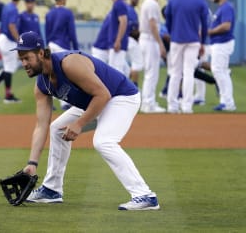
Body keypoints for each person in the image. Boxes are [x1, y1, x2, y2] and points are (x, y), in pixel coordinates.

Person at [15, 31, 160, 211]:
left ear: (41, 53)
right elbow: (41, 125)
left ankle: (144, 195)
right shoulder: (41, 85)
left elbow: (103, 94)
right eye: (20, 59)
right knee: (57, 129)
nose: (24, 64)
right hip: (98, 101)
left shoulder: (69, 63)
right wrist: (32, 164)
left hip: (121, 97)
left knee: (103, 142)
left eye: (27, 57)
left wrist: (80, 123)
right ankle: (51, 190)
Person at [165, 0, 208, 114]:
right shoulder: (200, 1)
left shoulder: (173, 0)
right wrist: (203, 42)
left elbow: (168, 21)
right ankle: (187, 106)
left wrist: (173, 33)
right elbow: (205, 25)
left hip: (177, 39)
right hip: (194, 40)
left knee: (175, 72)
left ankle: (172, 106)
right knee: (189, 72)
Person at [45, 0, 78, 110]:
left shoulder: (49, 13)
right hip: (62, 46)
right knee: (64, 75)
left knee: (52, 74)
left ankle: (51, 101)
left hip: (51, 45)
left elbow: (47, 33)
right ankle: (64, 103)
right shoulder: (68, 12)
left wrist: (47, 46)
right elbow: (72, 33)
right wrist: (76, 49)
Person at [139, 0, 167, 113]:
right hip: (150, 40)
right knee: (152, 73)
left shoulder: (148, 2)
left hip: (146, 39)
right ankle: (148, 104)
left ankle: (148, 102)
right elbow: (152, 24)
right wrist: (160, 43)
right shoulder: (152, 4)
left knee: (150, 72)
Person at [208, 0, 236, 111]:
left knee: (219, 71)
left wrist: (211, 31)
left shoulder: (226, 7)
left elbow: (226, 26)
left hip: (222, 43)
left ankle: (228, 102)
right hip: (220, 43)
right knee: (221, 72)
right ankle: (226, 101)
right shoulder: (222, 8)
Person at [107, 0, 130, 77]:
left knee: (116, 74)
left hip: (118, 45)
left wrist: (118, 41)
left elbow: (123, 22)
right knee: (116, 73)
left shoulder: (119, 4)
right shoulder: (117, 4)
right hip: (115, 44)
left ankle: (121, 92)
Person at [126, 0, 143, 86]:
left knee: (134, 64)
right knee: (136, 63)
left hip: (129, 39)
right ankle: (134, 86)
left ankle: (127, 83)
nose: (137, 0)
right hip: (130, 39)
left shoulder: (131, 10)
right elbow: (133, 30)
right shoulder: (130, 10)